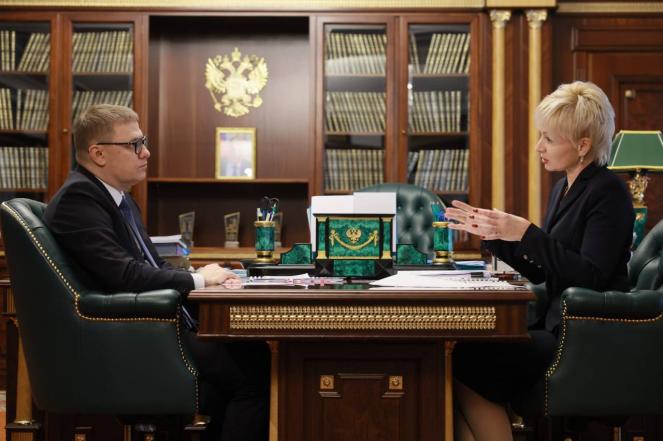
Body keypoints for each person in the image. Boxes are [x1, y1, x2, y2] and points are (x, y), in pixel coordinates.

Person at [44, 104, 269, 441]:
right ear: (98, 153)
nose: (146, 152)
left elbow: (151, 266)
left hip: (153, 325)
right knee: (255, 373)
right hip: (131, 336)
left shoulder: (119, 199)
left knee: (252, 354)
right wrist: (198, 280)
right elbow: (124, 276)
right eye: (134, 144)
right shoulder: (79, 199)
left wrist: (202, 276)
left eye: (144, 142)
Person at [444, 81, 635, 441]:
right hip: (558, 325)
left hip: (584, 333)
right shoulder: (563, 187)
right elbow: (542, 270)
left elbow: (591, 276)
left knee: (464, 359)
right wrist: (495, 235)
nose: (538, 147)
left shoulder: (609, 191)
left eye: (548, 138)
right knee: (456, 354)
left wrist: (527, 232)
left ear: (583, 145)